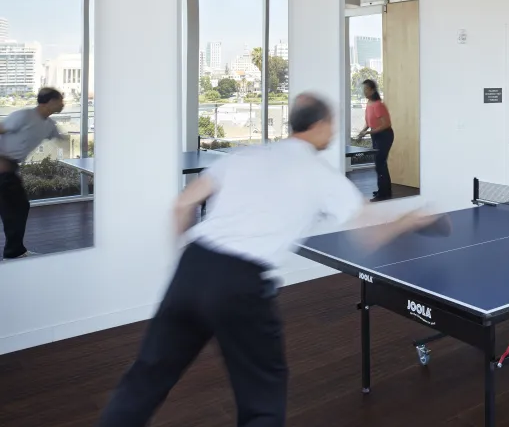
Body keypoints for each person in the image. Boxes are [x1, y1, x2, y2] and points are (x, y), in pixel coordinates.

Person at [98, 93, 442, 427]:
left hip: (193, 267)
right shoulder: (320, 174)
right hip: (241, 283)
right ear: (320, 125)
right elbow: (370, 234)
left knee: (146, 378)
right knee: (262, 398)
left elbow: (182, 205)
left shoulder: (245, 156)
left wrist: (190, 268)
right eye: (333, 123)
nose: (335, 131)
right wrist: (412, 220)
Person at [0, 87, 65, 259]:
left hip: (10, 168)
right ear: (50, 102)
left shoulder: (49, 124)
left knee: (16, 207)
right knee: (16, 207)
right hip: (3, 166)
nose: (63, 104)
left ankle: (15, 251)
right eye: (60, 100)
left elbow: (60, 137)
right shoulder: (23, 116)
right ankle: (14, 253)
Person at [356, 79, 394, 202]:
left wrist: (369, 132)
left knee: (380, 164)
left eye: (366, 89)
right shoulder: (368, 104)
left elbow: (386, 124)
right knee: (380, 164)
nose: (364, 91)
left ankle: (383, 194)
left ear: (372, 90)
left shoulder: (378, 105)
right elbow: (368, 122)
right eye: (364, 89)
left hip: (385, 135)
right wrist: (363, 131)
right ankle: (384, 191)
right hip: (375, 134)